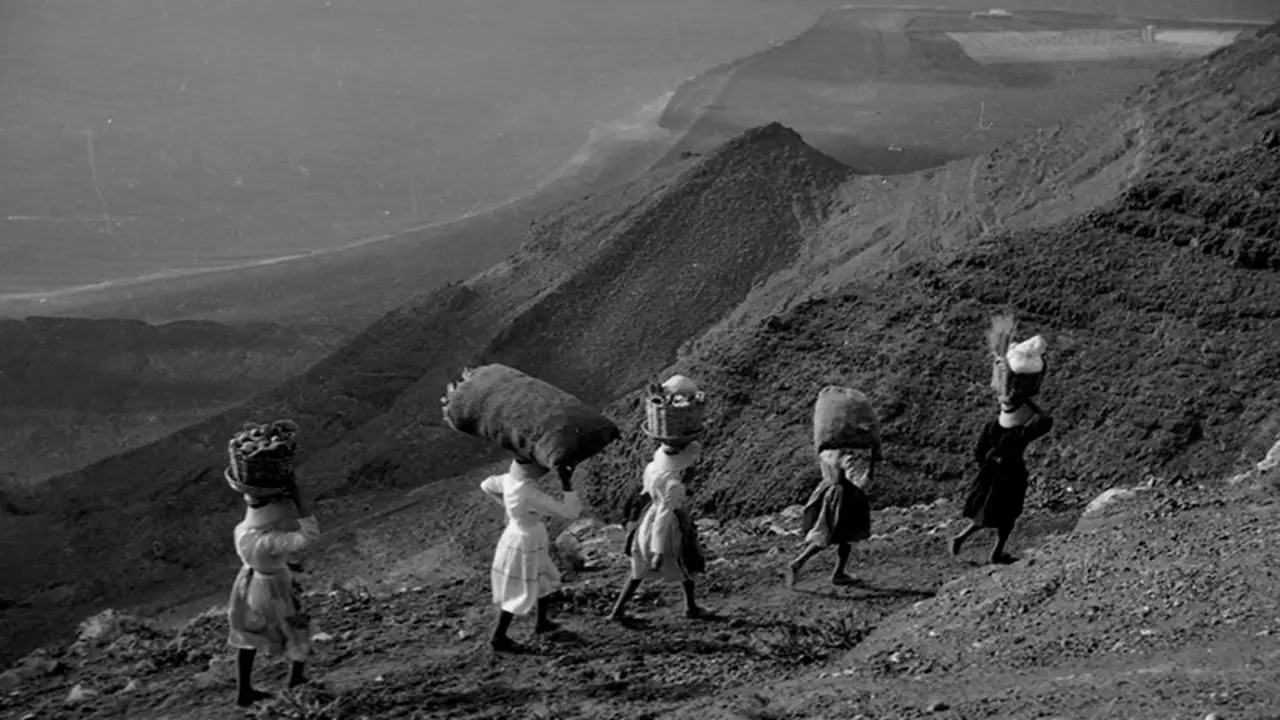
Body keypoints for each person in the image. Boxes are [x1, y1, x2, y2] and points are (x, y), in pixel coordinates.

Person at [225, 474, 320, 707]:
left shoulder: (242, 531)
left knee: (248, 633)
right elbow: (308, 536)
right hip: (274, 585)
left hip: (249, 583)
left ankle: (244, 691)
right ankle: (295, 680)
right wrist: (298, 500)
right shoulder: (269, 541)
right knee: (297, 626)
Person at [481, 458, 582, 653]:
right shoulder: (528, 494)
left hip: (518, 534)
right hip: (526, 541)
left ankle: (541, 622)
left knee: (541, 577)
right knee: (519, 587)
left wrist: (508, 510)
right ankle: (498, 636)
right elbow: (570, 512)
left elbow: (485, 485)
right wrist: (567, 483)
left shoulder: (509, 480)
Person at [607, 437, 709, 622]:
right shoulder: (674, 486)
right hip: (668, 526)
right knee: (685, 562)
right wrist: (658, 551)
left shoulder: (653, 469)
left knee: (638, 567)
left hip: (648, 520)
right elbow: (664, 516)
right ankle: (691, 607)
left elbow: (650, 496)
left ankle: (617, 610)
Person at [950, 390, 1053, 564]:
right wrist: (1030, 403)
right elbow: (1046, 420)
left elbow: (979, 454)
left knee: (987, 512)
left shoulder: (990, 427)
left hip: (990, 476)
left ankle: (961, 538)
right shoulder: (1019, 433)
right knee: (1008, 516)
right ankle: (996, 552)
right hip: (1012, 477)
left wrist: (990, 464)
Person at [785, 448, 876, 589]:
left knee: (843, 537)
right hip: (845, 497)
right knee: (831, 535)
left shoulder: (827, 450)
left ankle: (838, 572)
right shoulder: (847, 456)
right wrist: (872, 467)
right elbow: (860, 483)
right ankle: (798, 563)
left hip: (829, 491)